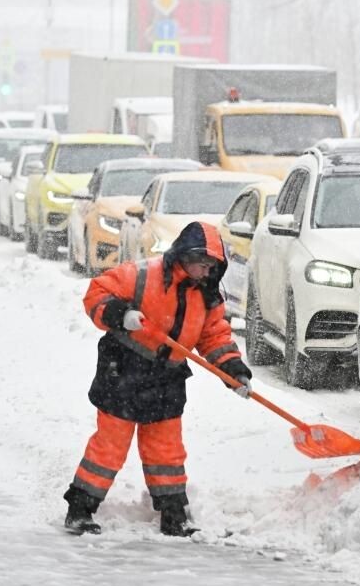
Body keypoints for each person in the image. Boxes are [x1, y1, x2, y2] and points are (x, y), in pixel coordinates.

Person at [63, 221, 253, 536]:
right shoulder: (142, 275)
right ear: (182, 255)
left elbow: (215, 337)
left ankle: (174, 514)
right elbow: (96, 294)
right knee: (110, 446)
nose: (204, 271)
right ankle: (80, 509)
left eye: (211, 266)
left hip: (167, 376)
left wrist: (233, 371)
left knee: (166, 449)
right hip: (123, 366)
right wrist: (120, 315)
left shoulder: (208, 296)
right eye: (200, 263)